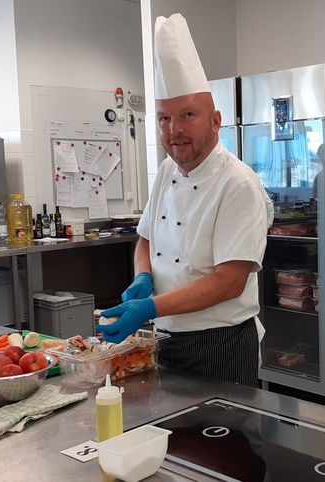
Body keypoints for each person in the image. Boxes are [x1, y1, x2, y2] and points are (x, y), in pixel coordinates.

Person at [96, 13, 273, 387]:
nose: (174, 130)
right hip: (164, 338)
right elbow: (146, 238)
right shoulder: (166, 170)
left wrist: (149, 306)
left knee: (223, 428)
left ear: (215, 121)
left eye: (188, 115)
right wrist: (143, 276)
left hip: (220, 344)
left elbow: (229, 282)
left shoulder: (238, 184)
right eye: (164, 119)